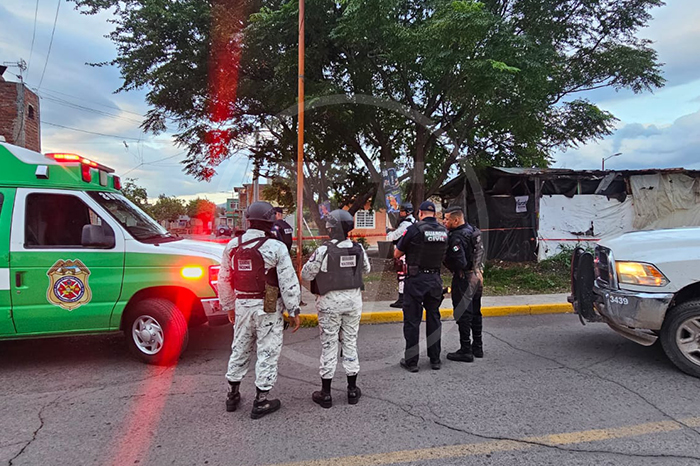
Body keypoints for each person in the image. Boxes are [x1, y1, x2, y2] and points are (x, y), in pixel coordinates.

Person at [219, 201, 302, 419]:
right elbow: (287, 281)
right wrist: (294, 310)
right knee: (268, 349)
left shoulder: (233, 245)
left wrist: (229, 306)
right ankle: (261, 400)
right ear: (270, 220)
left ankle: (232, 395)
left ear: (248, 220)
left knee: (240, 347)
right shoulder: (276, 247)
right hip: (268, 305)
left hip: (242, 304)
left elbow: (224, 278)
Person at [302, 209, 371, 408]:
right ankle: (352, 390)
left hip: (329, 303)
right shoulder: (358, 248)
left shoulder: (323, 250)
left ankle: (326, 393)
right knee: (350, 342)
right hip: (353, 302)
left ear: (330, 228)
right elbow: (366, 269)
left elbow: (306, 274)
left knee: (329, 345)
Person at [394, 201, 449, 372]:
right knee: (434, 318)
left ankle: (411, 362)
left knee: (412, 321)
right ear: (435, 214)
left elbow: (397, 253)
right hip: (435, 279)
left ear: (420, 213)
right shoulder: (444, 231)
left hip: (416, 280)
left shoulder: (414, 229)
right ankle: (435, 359)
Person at [443, 206, 485, 362]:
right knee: (476, 311)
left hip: (463, 278)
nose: (444, 221)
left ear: (456, 220)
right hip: (477, 276)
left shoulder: (457, 237)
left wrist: (448, 262)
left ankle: (465, 349)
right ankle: (478, 347)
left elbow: (460, 262)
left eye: (447, 219)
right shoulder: (474, 231)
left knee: (463, 314)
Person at [385, 202, 416, 308]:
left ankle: (402, 299)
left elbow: (393, 237)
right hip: (411, 253)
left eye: (402, 211)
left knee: (402, 276)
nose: (400, 213)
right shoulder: (414, 222)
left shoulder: (406, 224)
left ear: (407, 212)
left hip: (403, 253)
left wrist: (388, 232)